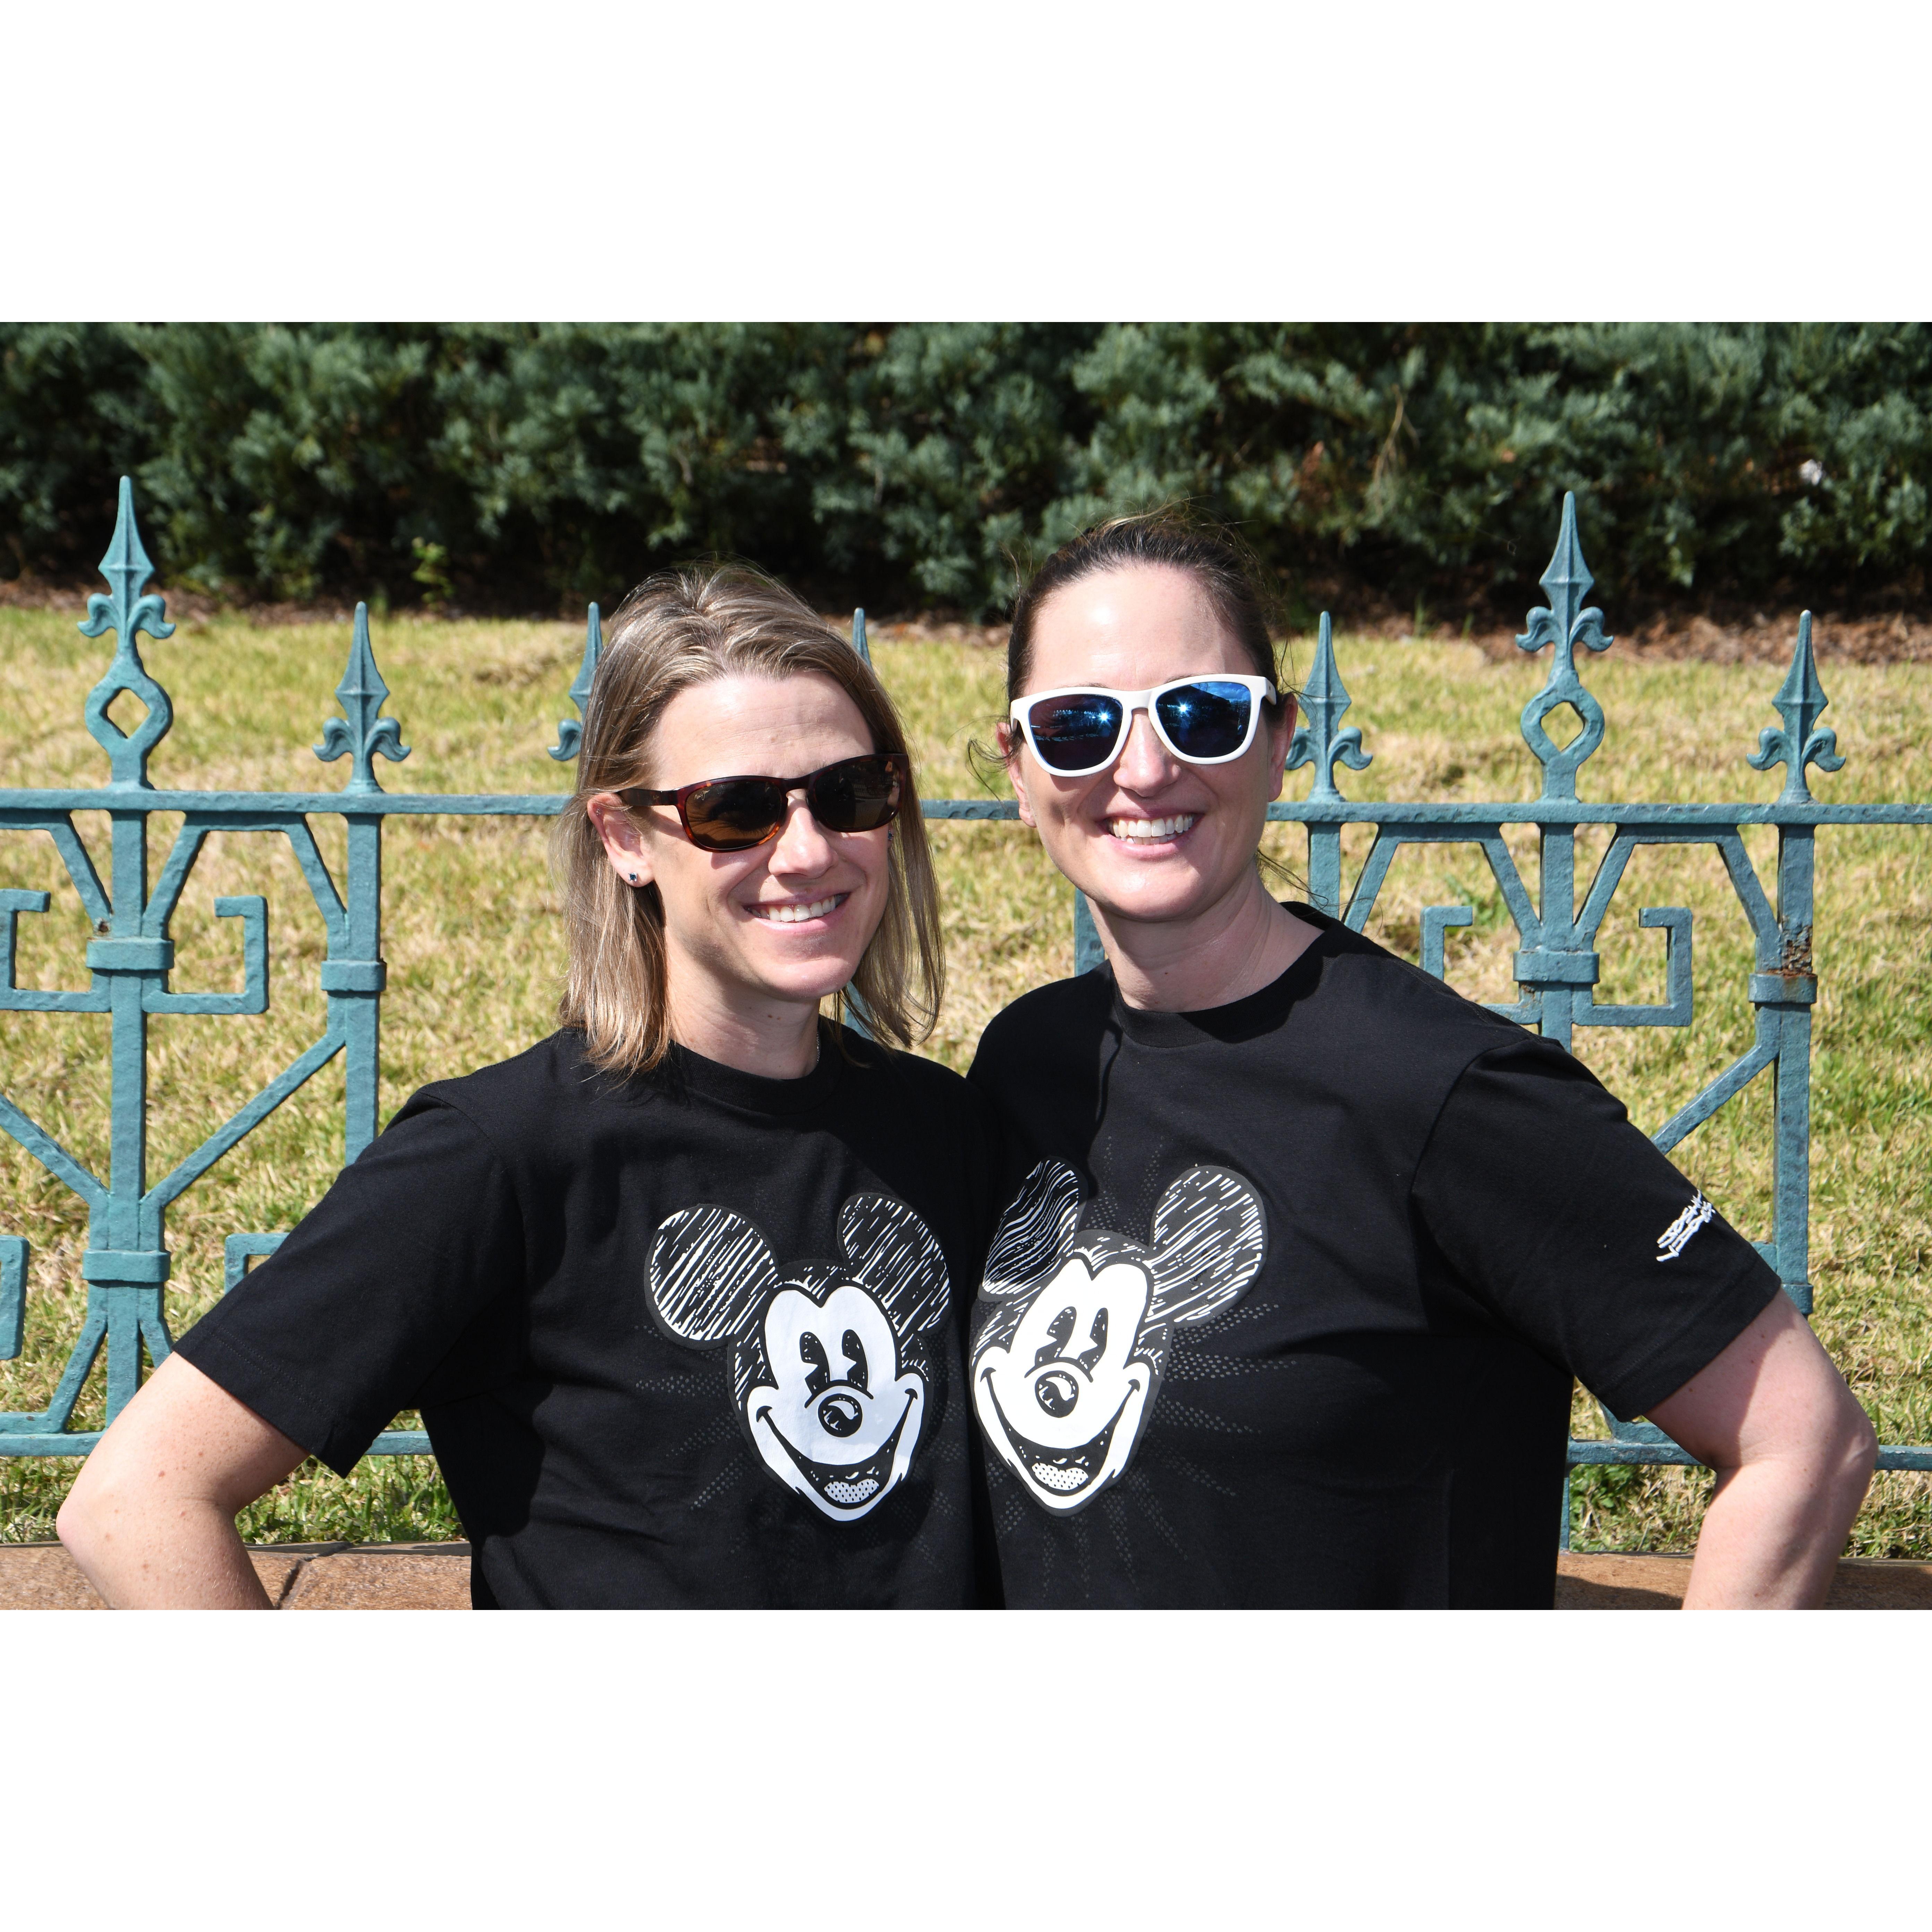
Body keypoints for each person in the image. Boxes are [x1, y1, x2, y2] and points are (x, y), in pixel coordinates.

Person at [965, 512, 1877, 1609]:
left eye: (1203, 715)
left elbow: (1803, 1441)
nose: (1146, 767)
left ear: (1279, 741)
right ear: (1020, 768)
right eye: (1078, 726)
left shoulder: (1444, 1091)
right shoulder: (1029, 1063)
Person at [59, 565, 996, 1608]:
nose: (809, 850)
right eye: (736, 811)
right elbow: (136, 1499)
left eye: (849, 792)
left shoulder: (950, 1131)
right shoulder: (501, 1155)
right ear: (625, 837)